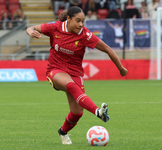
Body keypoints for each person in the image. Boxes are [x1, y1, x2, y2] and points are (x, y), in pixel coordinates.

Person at [26, 6, 128, 145]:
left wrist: (121, 68)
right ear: (68, 19)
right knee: (71, 85)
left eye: (83, 21)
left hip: (75, 73)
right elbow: (32, 28)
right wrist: (30, 32)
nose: (81, 24)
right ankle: (98, 112)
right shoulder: (55, 27)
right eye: (78, 20)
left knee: (77, 112)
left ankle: (63, 132)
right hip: (55, 70)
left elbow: (107, 49)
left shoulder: (85, 35)